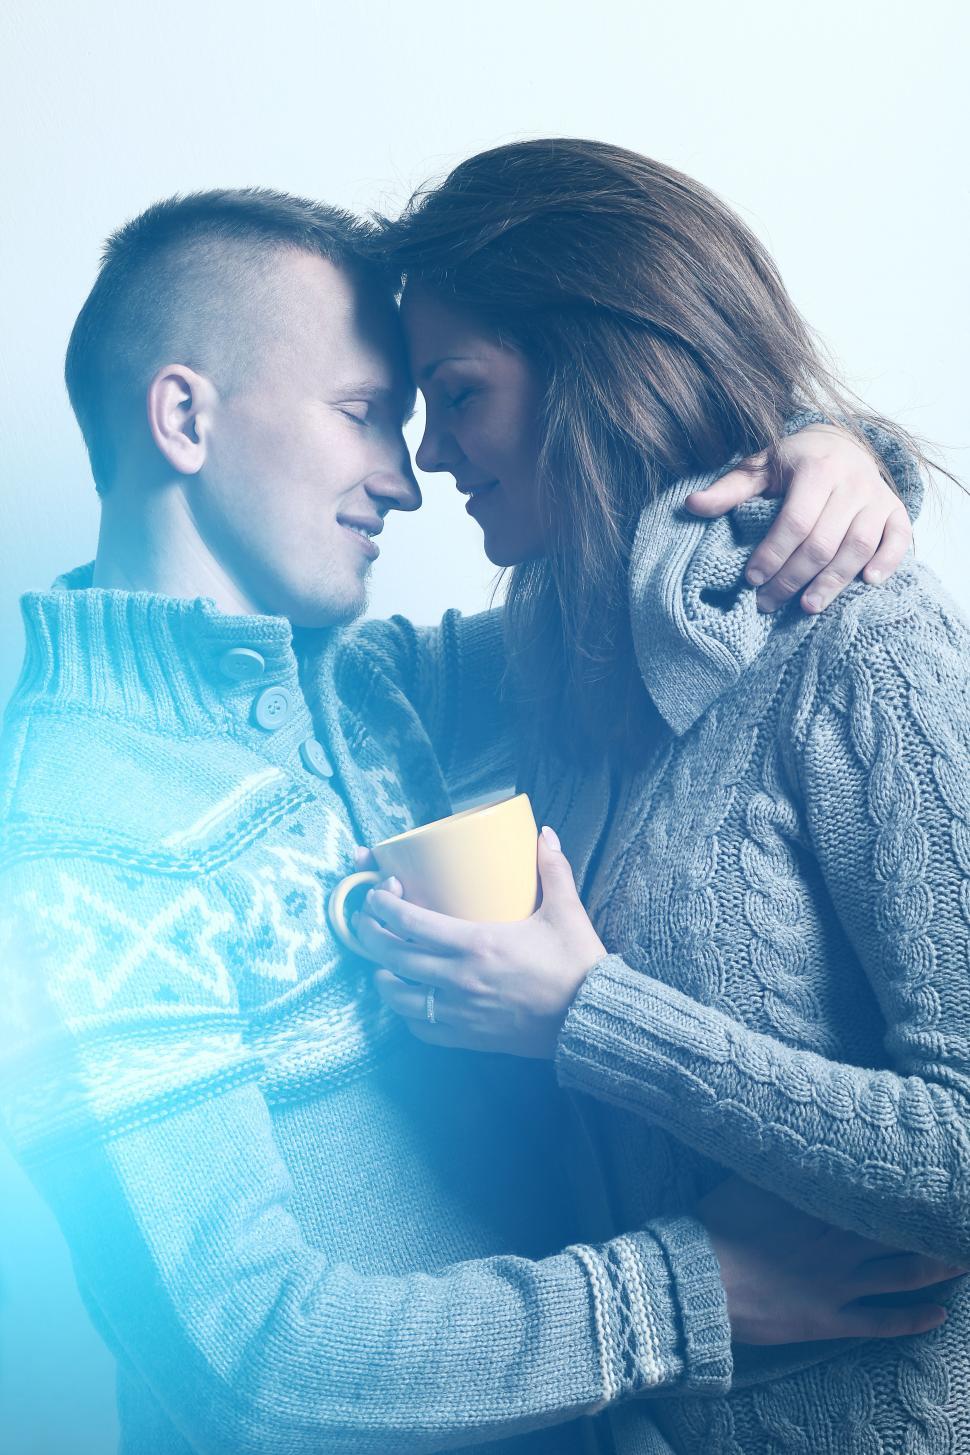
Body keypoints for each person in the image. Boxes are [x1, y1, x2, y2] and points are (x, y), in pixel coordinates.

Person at [0, 187, 949, 1455]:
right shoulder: (72, 838)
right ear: (184, 417)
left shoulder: (369, 693)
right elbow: (244, 1361)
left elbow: (693, 602)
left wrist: (823, 454)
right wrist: (689, 1290)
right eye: (363, 418)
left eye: (424, 415)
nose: (409, 478)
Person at [361, 138, 970, 1454]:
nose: (425, 452)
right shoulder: (552, 659)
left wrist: (586, 1012)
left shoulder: (861, 643)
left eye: (453, 392)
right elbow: (305, 681)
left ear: (595, 363)